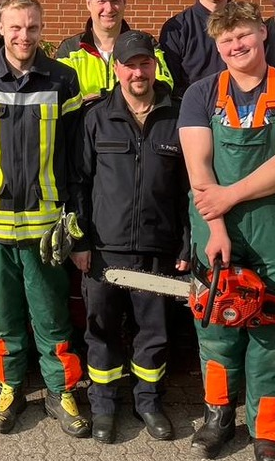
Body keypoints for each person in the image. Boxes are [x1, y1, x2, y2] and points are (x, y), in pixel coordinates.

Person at [178, 0, 275, 460]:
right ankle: (217, 418)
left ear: (261, 33)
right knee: (217, 330)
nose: (236, 45)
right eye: (226, 40)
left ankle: (266, 430)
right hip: (214, 225)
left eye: (242, 35)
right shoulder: (200, 94)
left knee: (274, 335)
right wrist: (215, 224)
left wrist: (229, 196)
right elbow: (199, 167)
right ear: (217, 47)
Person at [0, 0, 90, 438]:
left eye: (32, 27)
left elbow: (75, 156)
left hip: (44, 228)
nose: (23, 36)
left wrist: (75, 221)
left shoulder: (63, 80)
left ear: (42, 28)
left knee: (51, 315)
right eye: (15, 27)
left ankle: (62, 391)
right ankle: (9, 387)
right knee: (2, 317)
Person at [72, 30, 189, 444]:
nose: (137, 72)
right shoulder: (95, 117)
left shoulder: (177, 116)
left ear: (153, 66)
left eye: (144, 63)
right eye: (129, 64)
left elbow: (189, 187)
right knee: (100, 328)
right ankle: (103, 405)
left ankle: (148, 403)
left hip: (159, 247)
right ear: (116, 69)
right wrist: (81, 241)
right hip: (105, 249)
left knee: (154, 330)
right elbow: (79, 183)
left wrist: (186, 241)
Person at [56, 0, 173, 102]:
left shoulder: (146, 43)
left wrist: (103, 99)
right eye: (101, 1)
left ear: (125, 2)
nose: (109, 8)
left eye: (115, 0)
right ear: (88, 3)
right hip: (84, 122)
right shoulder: (69, 50)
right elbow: (61, 96)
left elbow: (165, 86)